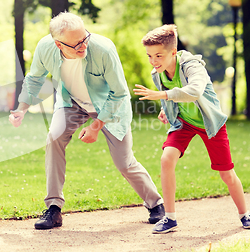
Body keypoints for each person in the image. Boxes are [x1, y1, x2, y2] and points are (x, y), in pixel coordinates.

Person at [9, 12, 164, 230]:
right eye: (76, 44)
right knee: (53, 138)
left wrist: (96, 126)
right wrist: (22, 108)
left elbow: (119, 93)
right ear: (58, 45)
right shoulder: (45, 48)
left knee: (124, 162)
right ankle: (53, 208)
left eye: (85, 38)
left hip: (109, 106)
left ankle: (156, 204)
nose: (83, 46)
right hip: (71, 102)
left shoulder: (103, 49)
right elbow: (34, 79)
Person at [133, 24, 250, 234]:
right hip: (184, 122)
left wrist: (163, 97)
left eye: (158, 56)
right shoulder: (158, 72)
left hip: (210, 123)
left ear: (173, 52)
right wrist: (166, 110)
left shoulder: (192, 66)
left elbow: (194, 91)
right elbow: (173, 97)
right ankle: (170, 218)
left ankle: (245, 214)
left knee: (226, 174)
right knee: (166, 159)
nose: (153, 61)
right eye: (149, 56)